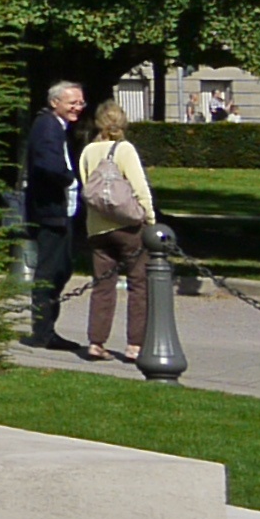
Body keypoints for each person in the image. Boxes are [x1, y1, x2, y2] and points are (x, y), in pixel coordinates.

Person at [77, 105, 160, 362]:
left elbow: (87, 186)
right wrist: (150, 219)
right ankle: (134, 344)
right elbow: (140, 187)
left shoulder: (88, 151)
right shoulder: (124, 149)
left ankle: (96, 341)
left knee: (103, 286)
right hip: (128, 227)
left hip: (97, 227)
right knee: (138, 284)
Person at [17, 80, 90, 352]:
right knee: (50, 272)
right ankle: (42, 332)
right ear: (55, 102)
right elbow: (48, 165)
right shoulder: (48, 126)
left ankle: (48, 329)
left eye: (81, 103)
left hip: (59, 212)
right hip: (50, 213)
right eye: (72, 103)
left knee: (62, 269)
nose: (78, 108)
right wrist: (68, 177)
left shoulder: (56, 126)